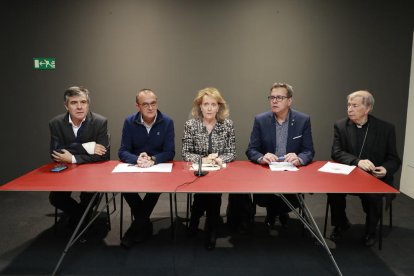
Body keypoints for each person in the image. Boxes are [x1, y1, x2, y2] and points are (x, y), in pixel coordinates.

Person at [328, 90, 401, 247]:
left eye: (355, 106)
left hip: (374, 177)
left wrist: (385, 169)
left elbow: (394, 159)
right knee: (333, 190)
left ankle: (371, 230)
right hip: (348, 175)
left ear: (367, 109)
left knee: (373, 197)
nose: (350, 109)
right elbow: (336, 152)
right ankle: (341, 223)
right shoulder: (341, 126)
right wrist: (356, 161)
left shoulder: (386, 129)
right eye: (348, 105)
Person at [246, 82, 315, 230]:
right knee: (266, 195)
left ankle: (278, 213)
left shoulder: (303, 120)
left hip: (292, 172)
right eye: (272, 97)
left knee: (290, 195)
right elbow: (251, 150)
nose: (274, 101)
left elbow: (308, 151)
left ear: (289, 100)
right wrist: (262, 158)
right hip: (267, 172)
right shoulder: (261, 120)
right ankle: (276, 213)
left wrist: (299, 159)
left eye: (279, 97)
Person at [118, 88, 175, 248]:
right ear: (138, 106)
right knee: (125, 189)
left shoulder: (167, 121)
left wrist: (153, 159)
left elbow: (170, 151)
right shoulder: (129, 122)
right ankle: (143, 224)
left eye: (153, 103)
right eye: (145, 104)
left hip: (157, 166)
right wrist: (137, 159)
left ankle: (136, 227)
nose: (150, 108)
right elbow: (122, 151)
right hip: (135, 166)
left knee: (155, 189)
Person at [182, 87, 236, 250]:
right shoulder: (191, 125)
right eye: (206, 104)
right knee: (206, 195)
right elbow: (185, 153)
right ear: (200, 106)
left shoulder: (227, 125)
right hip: (198, 171)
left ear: (219, 107)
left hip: (219, 170)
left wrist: (219, 159)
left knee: (212, 196)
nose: (210, 108)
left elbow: (231, 152)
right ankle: (202, 223)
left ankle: (203, 224)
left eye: (213, 104)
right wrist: (203, 159)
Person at [49, 86, 110, 229]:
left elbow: (103, 155)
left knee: (89, 196)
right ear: (66, 105)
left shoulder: (100, 122)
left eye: (83, 102)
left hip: (92, 170)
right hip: (66, 170)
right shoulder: (56, 123)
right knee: (55, 198)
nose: (79, 107)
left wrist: (73, 158)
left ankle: (78, 220)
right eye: (74, 102)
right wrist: (87, 147)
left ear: (88, 104)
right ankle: (81, 216)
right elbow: (55, 152)